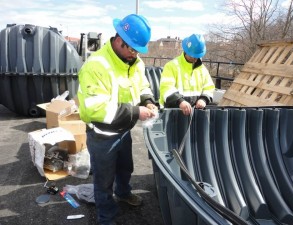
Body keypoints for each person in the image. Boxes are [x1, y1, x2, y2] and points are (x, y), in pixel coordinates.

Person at [77, 14, 158, 225]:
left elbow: (142, 86)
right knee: (103, 182)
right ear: (119, 40)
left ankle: (123, 193)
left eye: (138, 51)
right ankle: (106, 218)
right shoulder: (96, 66)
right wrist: (135, 112)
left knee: (125, 168)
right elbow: (96, 109)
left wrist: (148, 100)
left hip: (123, 130)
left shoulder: (135, 62)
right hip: (102, 136)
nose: (135, 55)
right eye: (132, 49)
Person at [159, 34, 215, 115]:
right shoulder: (171, 66)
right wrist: (180, 101)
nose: (195, 59)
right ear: (186, 51)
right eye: (193, 56)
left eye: (197, 56)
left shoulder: (202, 69)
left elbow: (209, 87)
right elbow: (166, 88)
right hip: (172, 113)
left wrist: (203, 99)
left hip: (193, 113)